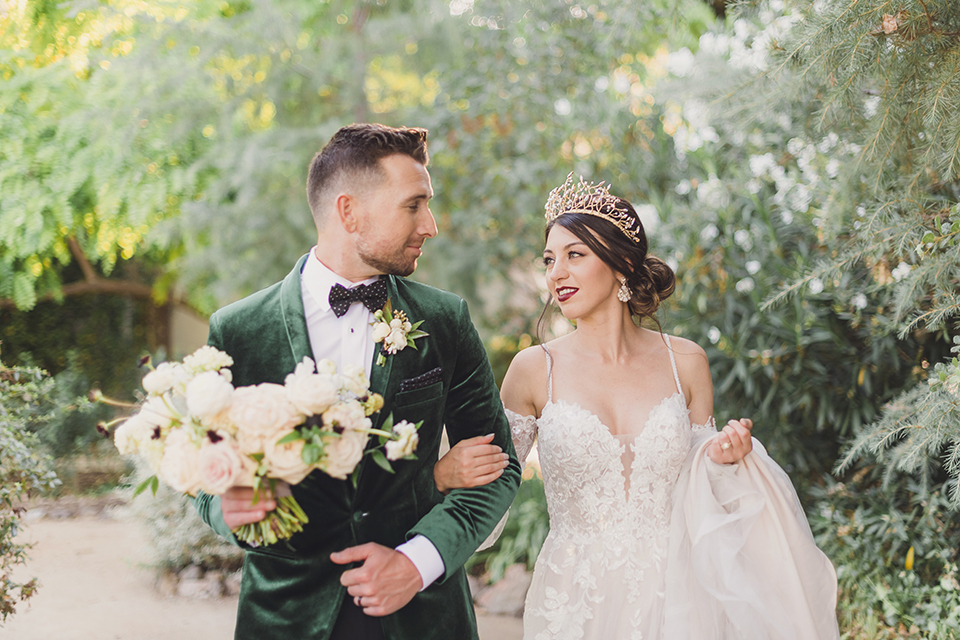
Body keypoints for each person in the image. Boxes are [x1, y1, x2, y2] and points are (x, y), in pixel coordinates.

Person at [435, 173, 841, 639]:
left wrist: (722, 459)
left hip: (680, 593)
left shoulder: (686, 361)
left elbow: (699, 489)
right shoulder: (533, 369)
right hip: (574, 596)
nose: (555, 273)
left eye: (574, 255)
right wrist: (436, 493)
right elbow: (491, 483)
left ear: (622, 262)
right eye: (549, 259)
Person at [192, 123, 521, 640]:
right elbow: (202, 475)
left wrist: (417, 563)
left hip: (423, 615)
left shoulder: (445, 320)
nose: (430, 225)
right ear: (349, 211)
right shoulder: (238, 329)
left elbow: (499, 469)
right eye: (413, 205)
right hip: (287, 616)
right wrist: (228, 507)